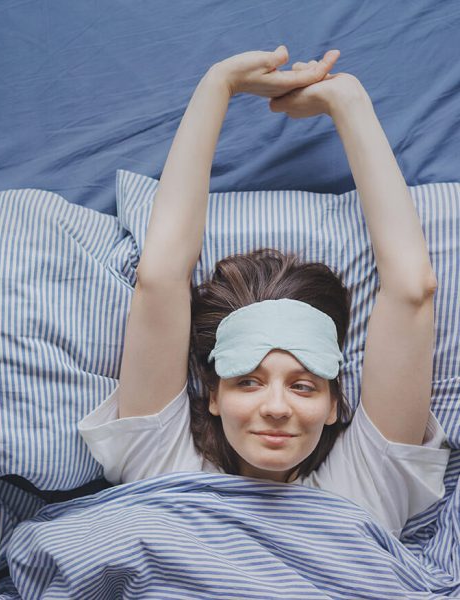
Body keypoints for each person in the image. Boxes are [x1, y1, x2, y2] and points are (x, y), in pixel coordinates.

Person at [78, 46, 450, 538]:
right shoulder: (163, 467)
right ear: (212, 395)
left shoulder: (366, 489)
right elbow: (160, 276)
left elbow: (412, 289)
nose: (276, 407)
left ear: (336, 404)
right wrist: (218, 85)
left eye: (303, 385)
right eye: (248, 381)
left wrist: (350, 102)